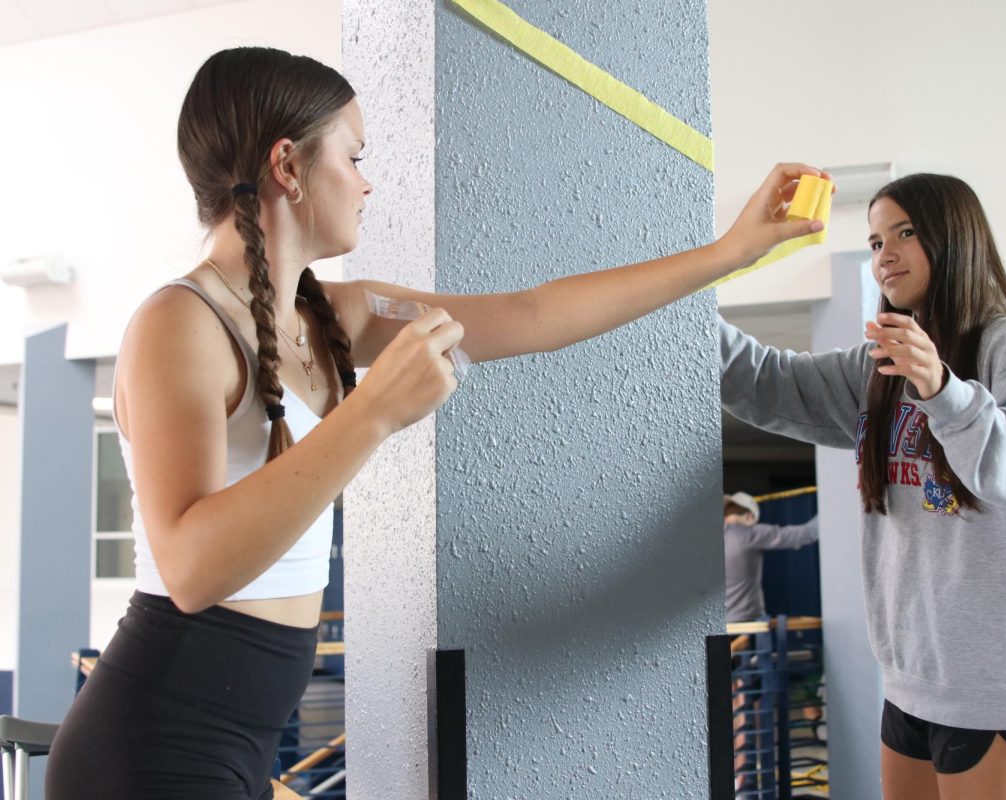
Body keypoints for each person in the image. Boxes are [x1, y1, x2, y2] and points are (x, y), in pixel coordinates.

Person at [42, 47, 827, 799]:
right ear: (287, 166)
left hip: (232, 747)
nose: (367, 183)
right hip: (150, 751)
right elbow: (191, 567)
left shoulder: (331, 313)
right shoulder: (178, 324)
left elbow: (533, 312)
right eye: (352, 157)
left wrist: (728, 253)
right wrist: (375, 412)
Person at [718, 174, 1006, 800]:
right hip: (910, 676)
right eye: (876, 238)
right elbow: (765, 381)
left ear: (954, 238)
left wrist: (944, 391)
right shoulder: (876, 366)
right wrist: (684, 291)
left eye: (905, 233)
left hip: (992, 682)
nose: (885, 254)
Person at [722, 491, 819, 624]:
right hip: (745, 623)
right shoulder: (749, 535)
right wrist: (832, 507)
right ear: (750, 516)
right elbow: (806, 534)